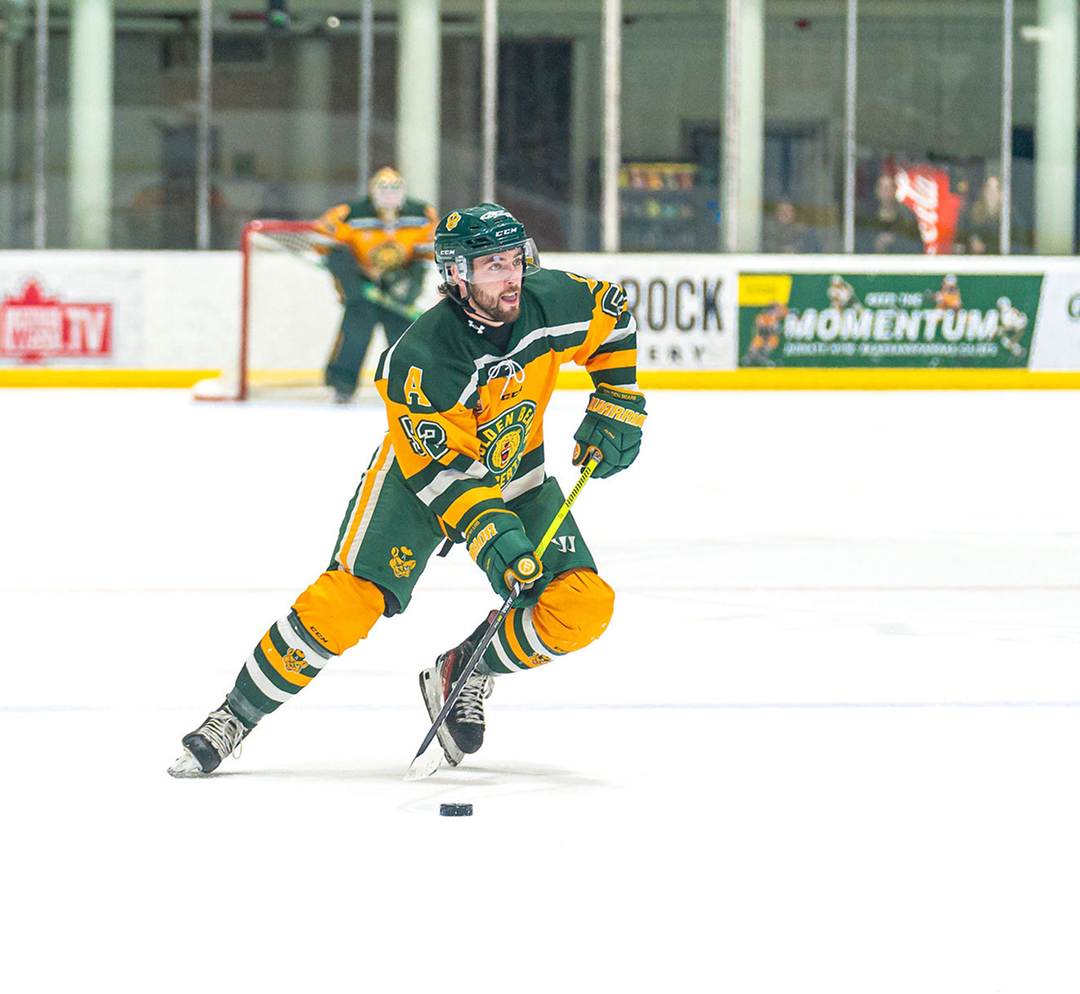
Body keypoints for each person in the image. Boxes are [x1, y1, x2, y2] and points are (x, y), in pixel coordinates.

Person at [168, 203, 646, 777]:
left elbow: (613, 318)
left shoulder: (553, 301)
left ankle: (466, 668)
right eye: (492, 265)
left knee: (583, 606)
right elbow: (438, 472)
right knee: (347, 604)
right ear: (457, 275)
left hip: (516, 476)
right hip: (418, 484)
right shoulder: (420, 357)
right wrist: (492, 533)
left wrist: (617, 399)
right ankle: (234, 717)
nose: (511, 275)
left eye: (514, 259)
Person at [314, 167, 438, 403]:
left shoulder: (421, 213)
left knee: (405, 341)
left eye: (394, 190)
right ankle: (342, 386)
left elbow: (425, 256)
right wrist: (351, 280)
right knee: (354, 335)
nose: (389, 196)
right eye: (384, 190)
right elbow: (326, 246)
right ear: (372, 192)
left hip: (398, 284)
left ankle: (410, 387)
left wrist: (409, 284)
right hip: (363, 286)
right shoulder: (349, 213)